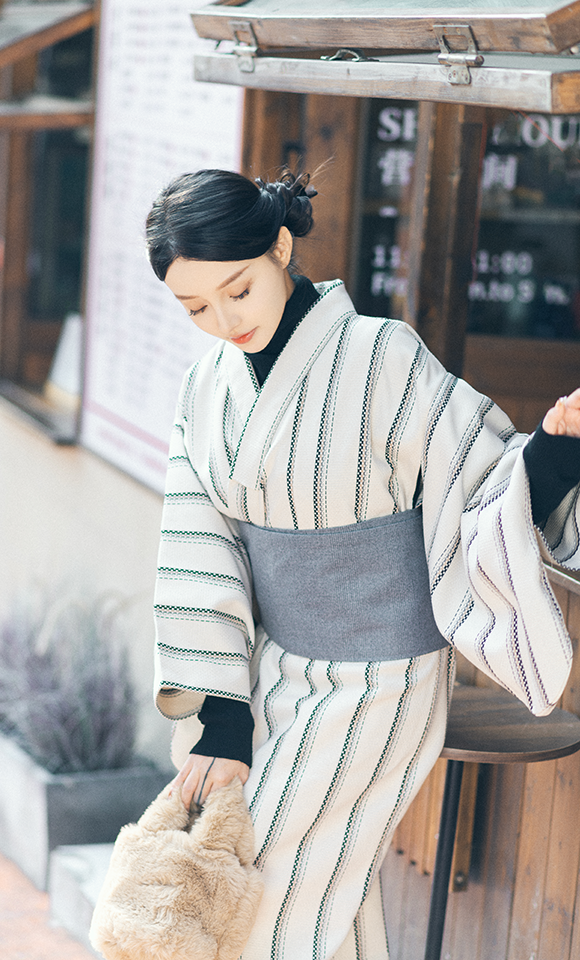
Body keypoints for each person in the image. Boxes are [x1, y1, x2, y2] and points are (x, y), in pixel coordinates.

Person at [145, 168, 580, 960]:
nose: (222, 321)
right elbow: (195, 548)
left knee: (262, 897)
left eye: (237, 290)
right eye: (196, 307)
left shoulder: (381, 356)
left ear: (280, 246)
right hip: (271, 671)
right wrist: (223, 716)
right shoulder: (203, 385)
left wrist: (553, 453)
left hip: (382, 676)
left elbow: (478, 478)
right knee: (321, 907)